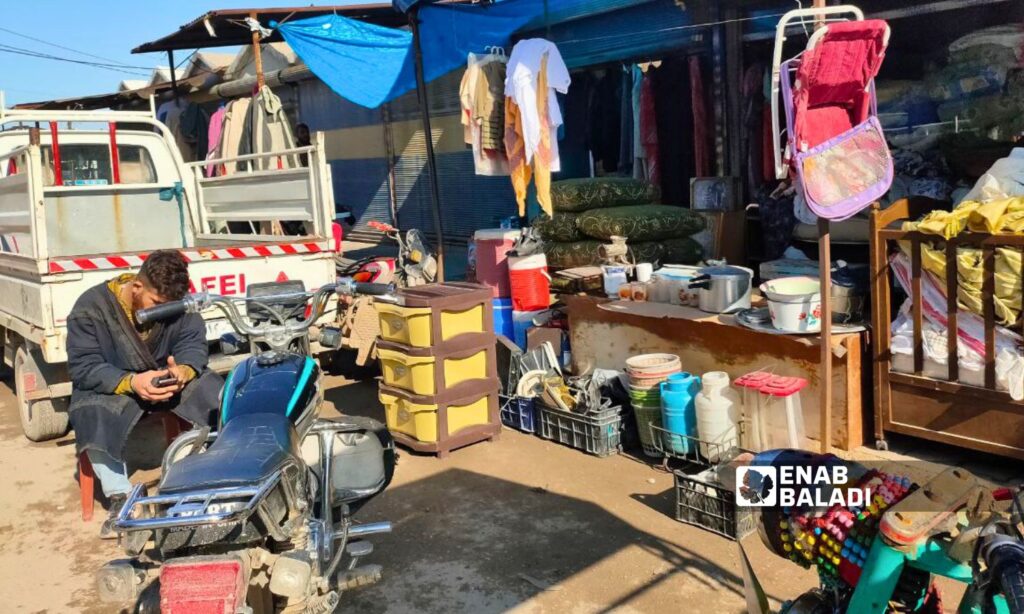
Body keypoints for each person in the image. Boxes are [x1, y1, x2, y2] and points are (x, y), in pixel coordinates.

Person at [66, 250, 222, 538]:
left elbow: (192, 341)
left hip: (165, 380)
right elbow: (84, 367)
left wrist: (184, 371)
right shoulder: (90, 307)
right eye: (157, 304)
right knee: (91, 412)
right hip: (115, 385)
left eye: (169, 306)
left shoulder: (177, 304)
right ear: (136, 287)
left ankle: (218, 476)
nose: (164, 310)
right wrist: (132, 381)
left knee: (219, 393)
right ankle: (122, 498)